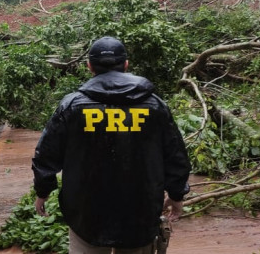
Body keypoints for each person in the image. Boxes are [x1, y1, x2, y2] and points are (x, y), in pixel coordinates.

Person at [32, 36, 191, 253]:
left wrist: (43, 190)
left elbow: (46, 154)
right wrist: (176, 195)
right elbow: (175, 156)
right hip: (140, 210)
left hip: (86, 213)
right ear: (126, 64)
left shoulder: (72, 106)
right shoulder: (154, 105)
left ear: (89, 67)